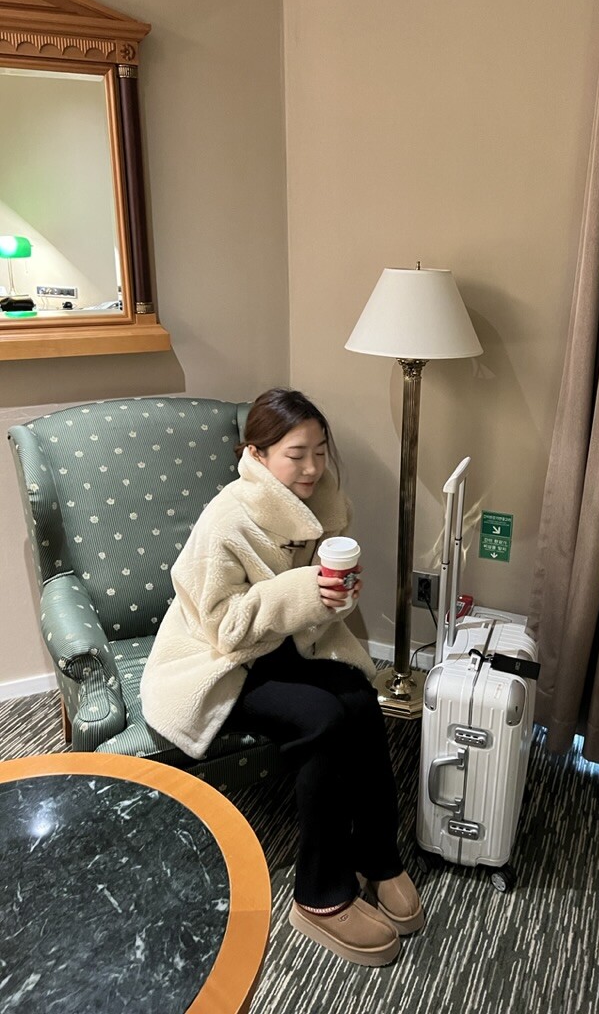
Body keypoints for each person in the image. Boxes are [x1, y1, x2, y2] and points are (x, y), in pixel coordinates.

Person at [140, 387, 423, 966]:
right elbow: (224, 628)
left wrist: (334, 598)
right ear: (258, 454)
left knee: (361, 701)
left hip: (287, 642)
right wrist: (303, 591)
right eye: (296, 455)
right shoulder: (226, 519)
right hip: (219, 660)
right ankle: (320, 896)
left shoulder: (322, 504)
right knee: (321, 719)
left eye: (320, 451)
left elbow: (315, 605)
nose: (313, 467)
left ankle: (378, 856)